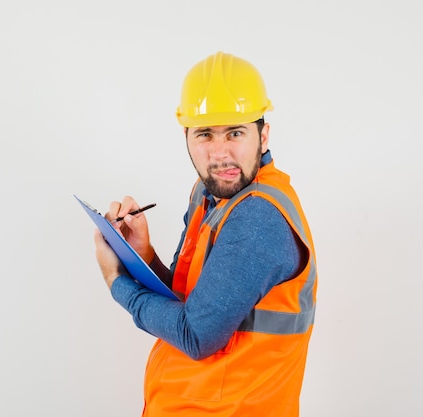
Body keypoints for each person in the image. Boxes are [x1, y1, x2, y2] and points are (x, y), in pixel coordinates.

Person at [93, 51, 318, 417]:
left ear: (263, 136)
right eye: (205, 134)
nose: (220, 154)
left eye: (235, 132)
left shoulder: (258, 216)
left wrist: (116, 280)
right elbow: (193, 304)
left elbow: (196, 335)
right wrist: (143, 255)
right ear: (186, 135)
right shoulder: (209, 191)